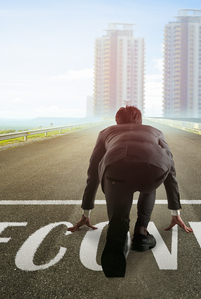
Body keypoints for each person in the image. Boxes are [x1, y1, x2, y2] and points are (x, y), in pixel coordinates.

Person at [67, 106, 192, 278]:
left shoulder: (106, 132)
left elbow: (93, 173)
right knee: (149, 187)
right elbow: (171, 172)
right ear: (140, 121)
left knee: (118, 202)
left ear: (117, 121)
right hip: (153, 169)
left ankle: (118, 228)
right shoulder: (156, 131)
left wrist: (86, 212)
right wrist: (175, 212)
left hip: (115, 169)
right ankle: (141, 233)